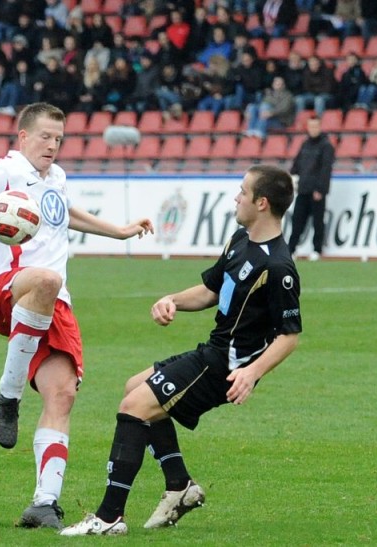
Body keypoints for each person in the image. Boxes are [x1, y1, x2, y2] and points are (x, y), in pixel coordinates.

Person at [0, 102, 154, 530]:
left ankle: (44, 503)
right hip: (7, 286)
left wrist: (120, 231)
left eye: (59, 138)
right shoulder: (5, 168)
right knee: (46, 279)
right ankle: (9, 395)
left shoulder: (56, 177)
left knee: (62, 395)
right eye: (45, 136)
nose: (52, 145)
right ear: (23, 137)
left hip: (53, 304)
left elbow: (66, 213)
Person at [60, 164, 302, 536]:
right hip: (211, 351)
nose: (236, 197)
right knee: (133, 388)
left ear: (263, 202)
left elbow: (290, 335)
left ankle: (109, 518)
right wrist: (172, 299)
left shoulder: (278, 265)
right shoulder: (240, 240)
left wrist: (252, 373)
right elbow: (209, 290)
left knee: (134, 408)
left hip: (226, 367)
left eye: (243, 191)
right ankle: (180, 485)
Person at [287, 116, 334, 261]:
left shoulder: (326, 146)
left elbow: (326, 170)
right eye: (311, 126)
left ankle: (317, 250)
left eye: (315, 126)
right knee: (297, 221)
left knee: (317, 222)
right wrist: (291, 176)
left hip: (316, 191)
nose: (313, 129)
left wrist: (321, 189)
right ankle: (291, 250)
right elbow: (296, 164)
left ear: (320, 127)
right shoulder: (305, 144)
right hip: (303, 189)